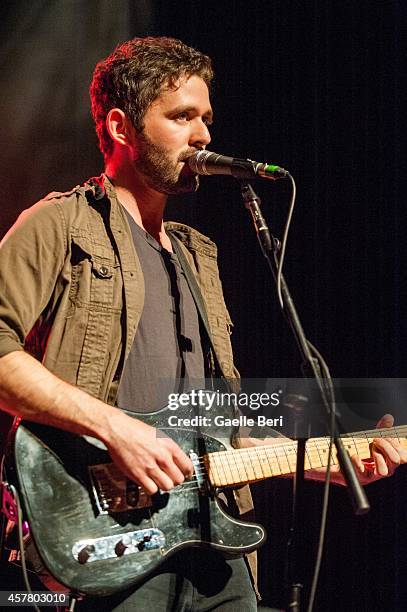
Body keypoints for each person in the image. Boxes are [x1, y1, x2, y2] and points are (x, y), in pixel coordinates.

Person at [0, 36, 405, 611]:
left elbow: (211, 425)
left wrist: (317, 461)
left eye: (206, 118)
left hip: (216, 542)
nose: (204, 136)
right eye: (182, 117)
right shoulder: (57, 224)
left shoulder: (197, 255)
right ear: (121, 128)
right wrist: (117, 429)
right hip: (106, 536)